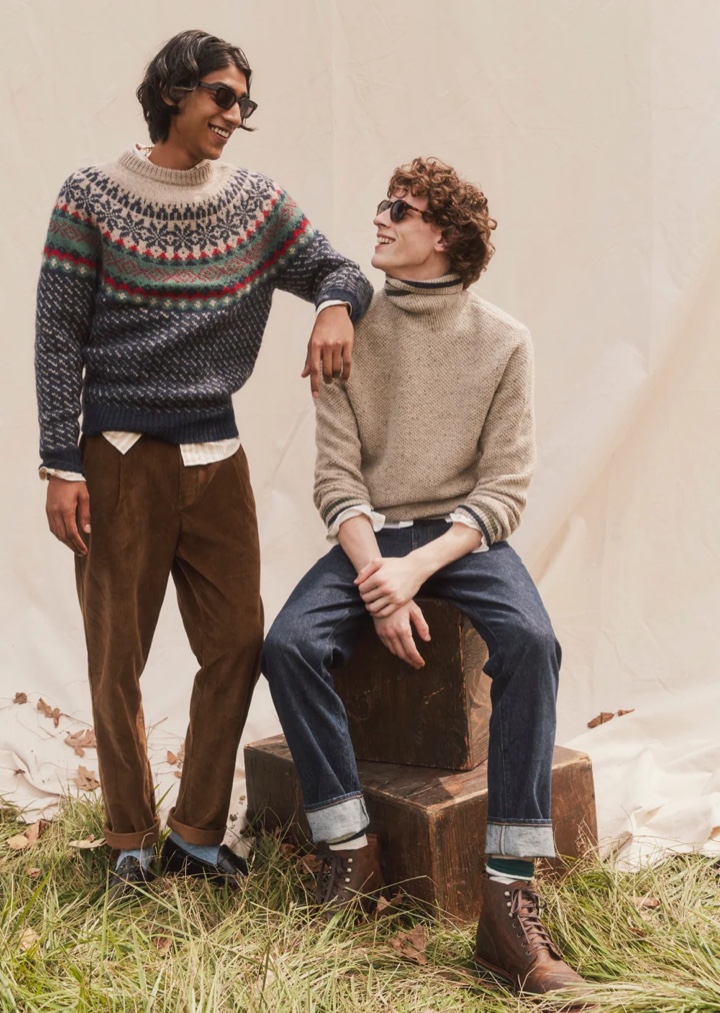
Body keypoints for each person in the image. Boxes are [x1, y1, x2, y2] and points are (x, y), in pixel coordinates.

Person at [34, 29, 372, 902]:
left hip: (217, 458)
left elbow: (339, 267)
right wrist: (56, 462)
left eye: (244, 104)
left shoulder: (256, 203)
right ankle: (126, 836)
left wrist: (333, 305)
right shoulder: (91, 197)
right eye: (223, 97)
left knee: (237, 644)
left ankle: (195, 832)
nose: (235, 116)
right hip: (117, 460)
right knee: (118, 655)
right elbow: (56, 337)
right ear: (175, 92)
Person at [262, 157, 589, 998]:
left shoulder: (504, 341)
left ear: (442, 237)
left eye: (397, 210)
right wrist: (378, 575)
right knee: (288, 645)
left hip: (462, 541)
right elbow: (336, 479)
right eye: (382, 203)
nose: (378, 218)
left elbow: (504, 490)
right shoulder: (347, 331)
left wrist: (417, 567)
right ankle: (350, 850)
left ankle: (507, 894)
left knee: (532, 641)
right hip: (369, 535)